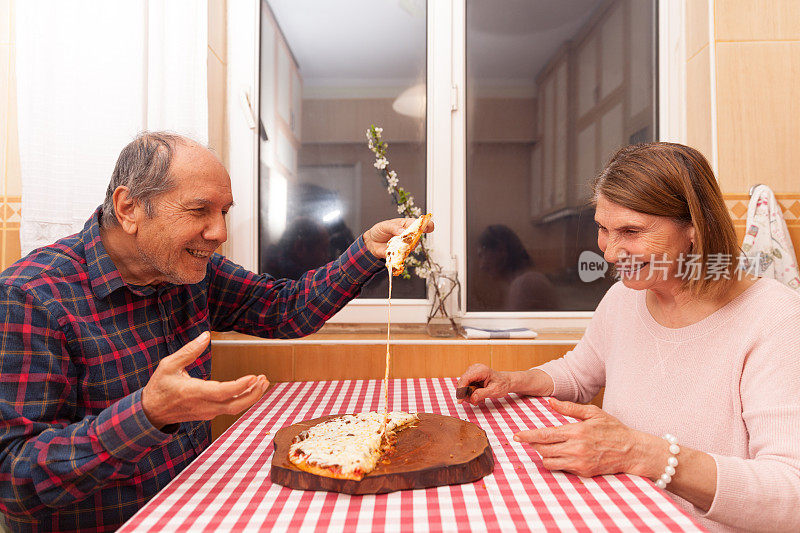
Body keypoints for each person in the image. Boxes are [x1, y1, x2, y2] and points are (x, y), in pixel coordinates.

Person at [0, 132, 432, 531]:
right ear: (129, 208)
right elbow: (14, 481)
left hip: (195, 511)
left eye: (223, 212)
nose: (219, 233)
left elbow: (286, 309)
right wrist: (148, 414)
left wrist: (367, 250)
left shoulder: (186, 271)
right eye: (199, 210)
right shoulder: (32, 297)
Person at [458, 142, 800, 532]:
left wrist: (645, 454)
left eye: (632, 231)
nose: (610, 253)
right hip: (622, 513)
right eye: (603, 229)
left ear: (694, 228)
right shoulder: (624, 296)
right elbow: (580, 371)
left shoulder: (776, 318)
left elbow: (791, 495)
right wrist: (516, 380)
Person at [477, 224, 557, 310]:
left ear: (501, 250)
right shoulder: (524, 281)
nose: (481, 266)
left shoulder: (525, 284)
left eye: (482, 255)